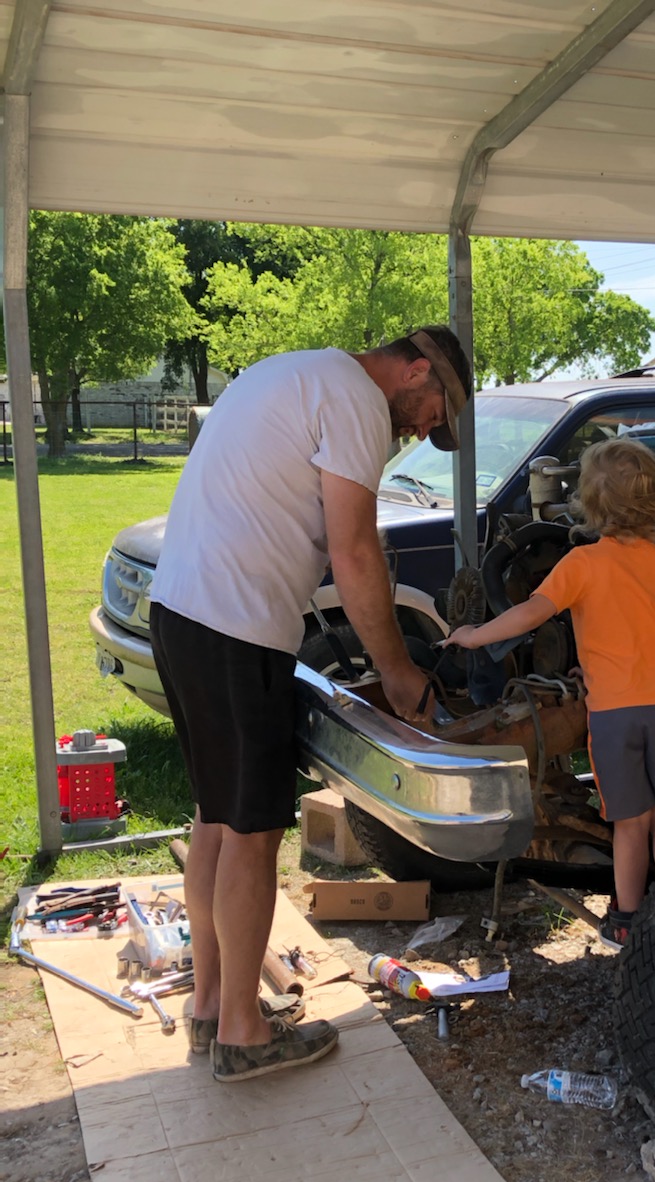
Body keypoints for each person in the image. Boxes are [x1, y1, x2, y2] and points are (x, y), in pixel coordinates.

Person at [150, 326, 472, 1080]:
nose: (426, 429)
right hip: (236, 623)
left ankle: (210, 1008)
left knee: (217, 819)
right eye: (433, 412)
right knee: (255, 833)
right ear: (416, 369)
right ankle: (242, 1032)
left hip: (182, 611)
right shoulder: (358, 399)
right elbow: (354, 548)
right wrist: (395, 671)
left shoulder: (295, 371)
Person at [444, 436, 655, 951]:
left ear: (587, 503)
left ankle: (626, 918)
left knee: (631, 823)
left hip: (615, 714)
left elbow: (530, 615)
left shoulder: (580, 564)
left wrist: (473, 635)